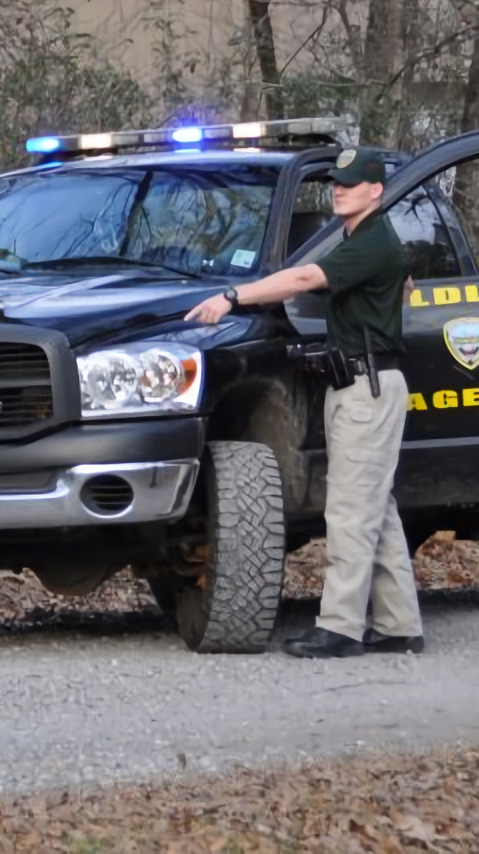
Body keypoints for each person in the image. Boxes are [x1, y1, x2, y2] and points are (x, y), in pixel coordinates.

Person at [184, 147, 424, 659]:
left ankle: (339, 628)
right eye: (336, 181)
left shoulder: (372, 241)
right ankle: (399, 624)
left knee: (351, 512)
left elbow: (303, 279)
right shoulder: (362, 239)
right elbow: (397, 284)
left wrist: (232, 296)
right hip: (359, 385)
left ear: (376, 191)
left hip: (368, 388)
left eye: (351, 183)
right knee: (375, 509)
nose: (339, 189)